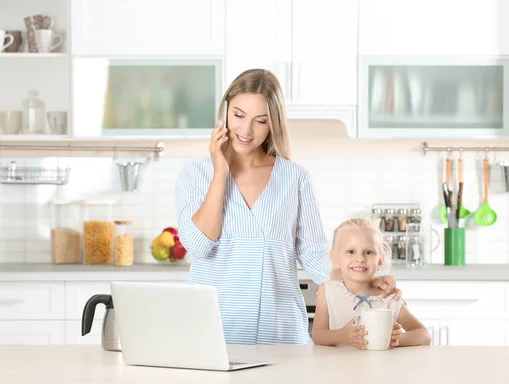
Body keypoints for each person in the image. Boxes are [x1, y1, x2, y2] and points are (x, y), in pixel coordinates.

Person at [174, 68, 401, 345]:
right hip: (214, 333)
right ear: (225, 111)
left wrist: (360, 278)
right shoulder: (196, 174)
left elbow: (316, 255)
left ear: (274, 124)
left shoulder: (294, 177)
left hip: (280, 333)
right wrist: (220, 171)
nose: (246, 131)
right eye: (238, 115)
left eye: (260, 121)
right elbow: (198, 246)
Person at [312, 217, 431, 349]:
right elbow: (318, 335)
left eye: (368, 252)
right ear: (335, 259)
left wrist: (397, 339)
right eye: (351, 251)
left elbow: (424, 335)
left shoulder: (388, 298)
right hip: (336, 368)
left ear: (379, 261)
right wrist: (341, 336)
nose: (360, 258)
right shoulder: (328, 291)